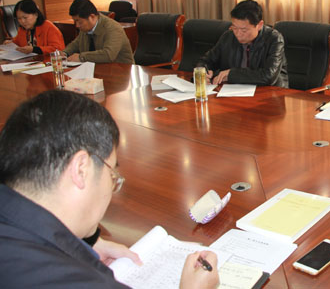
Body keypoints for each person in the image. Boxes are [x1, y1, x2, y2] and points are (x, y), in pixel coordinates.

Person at [0, 90, 219, 289]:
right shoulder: (74, 280)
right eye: (112, 173)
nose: (112, 185)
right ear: (81, 169)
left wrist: (84, 245)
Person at [196, 0, 288, 87]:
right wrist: (204, 74)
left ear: (259, 25)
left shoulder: (274, 39)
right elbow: (206, 61)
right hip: (235, 92)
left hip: (270, 93)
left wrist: (231, 74)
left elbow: (268, 76)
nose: (238, 34)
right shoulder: (228, 36)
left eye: (244, 30)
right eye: (235, 28)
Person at [63, 0, 134, 64]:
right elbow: (76, 44)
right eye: (75, 21)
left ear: (92, 17)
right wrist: (64, 53)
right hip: (96, 69)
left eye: (80, 22)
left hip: (120, 70)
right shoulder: (85, 28)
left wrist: (81, 57)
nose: (77, 25)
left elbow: (108, 55)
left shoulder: (113, 28)